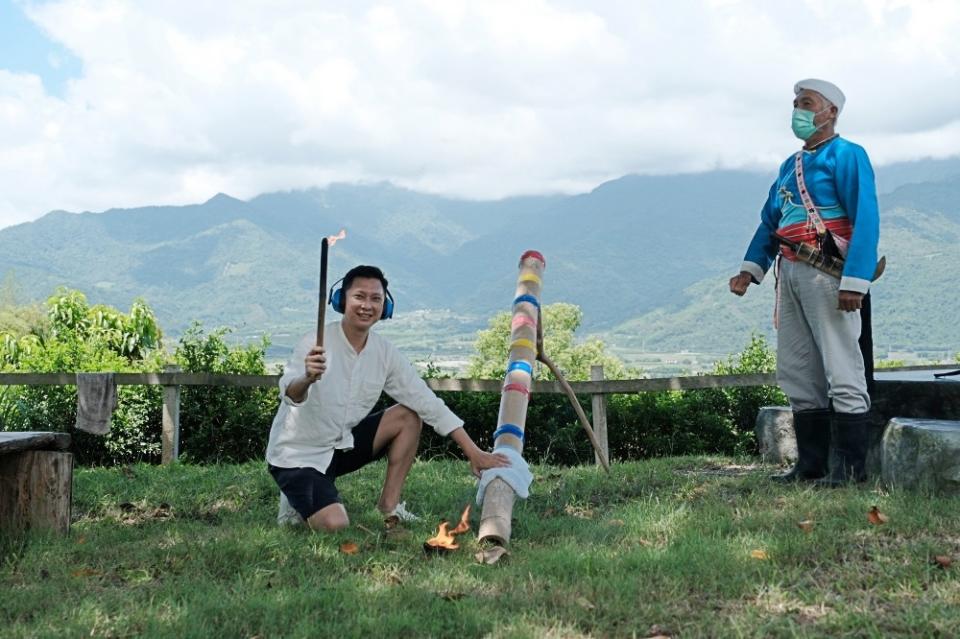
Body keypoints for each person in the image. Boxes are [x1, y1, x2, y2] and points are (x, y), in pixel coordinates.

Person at [266, 265, 510, 531]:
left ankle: (389, 507)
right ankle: (294, 498)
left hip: (339, 447)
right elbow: (290, 393)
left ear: (386, 306)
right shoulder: (314, 342)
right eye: (359, 296)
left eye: (375, 299)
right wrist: (307, 377)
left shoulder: (384, 353)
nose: (366, 305)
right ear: (341, 300)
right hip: (297, 456)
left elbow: (426, 401)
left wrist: (473, 452)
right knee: (336, 524)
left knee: (409, 415)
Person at [729, 79, 880, 485]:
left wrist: (855, 281)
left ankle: (850, 470)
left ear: (830, 112)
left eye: (807, 103)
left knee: (842, 365)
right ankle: (810, 466)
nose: (798, 109)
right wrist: (750, 269)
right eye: (796, 103)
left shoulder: (848, 155)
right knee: (797, 369)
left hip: (828, 274)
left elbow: (866, 217)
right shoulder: (788, 166)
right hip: (790, 272)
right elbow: (771, 222)